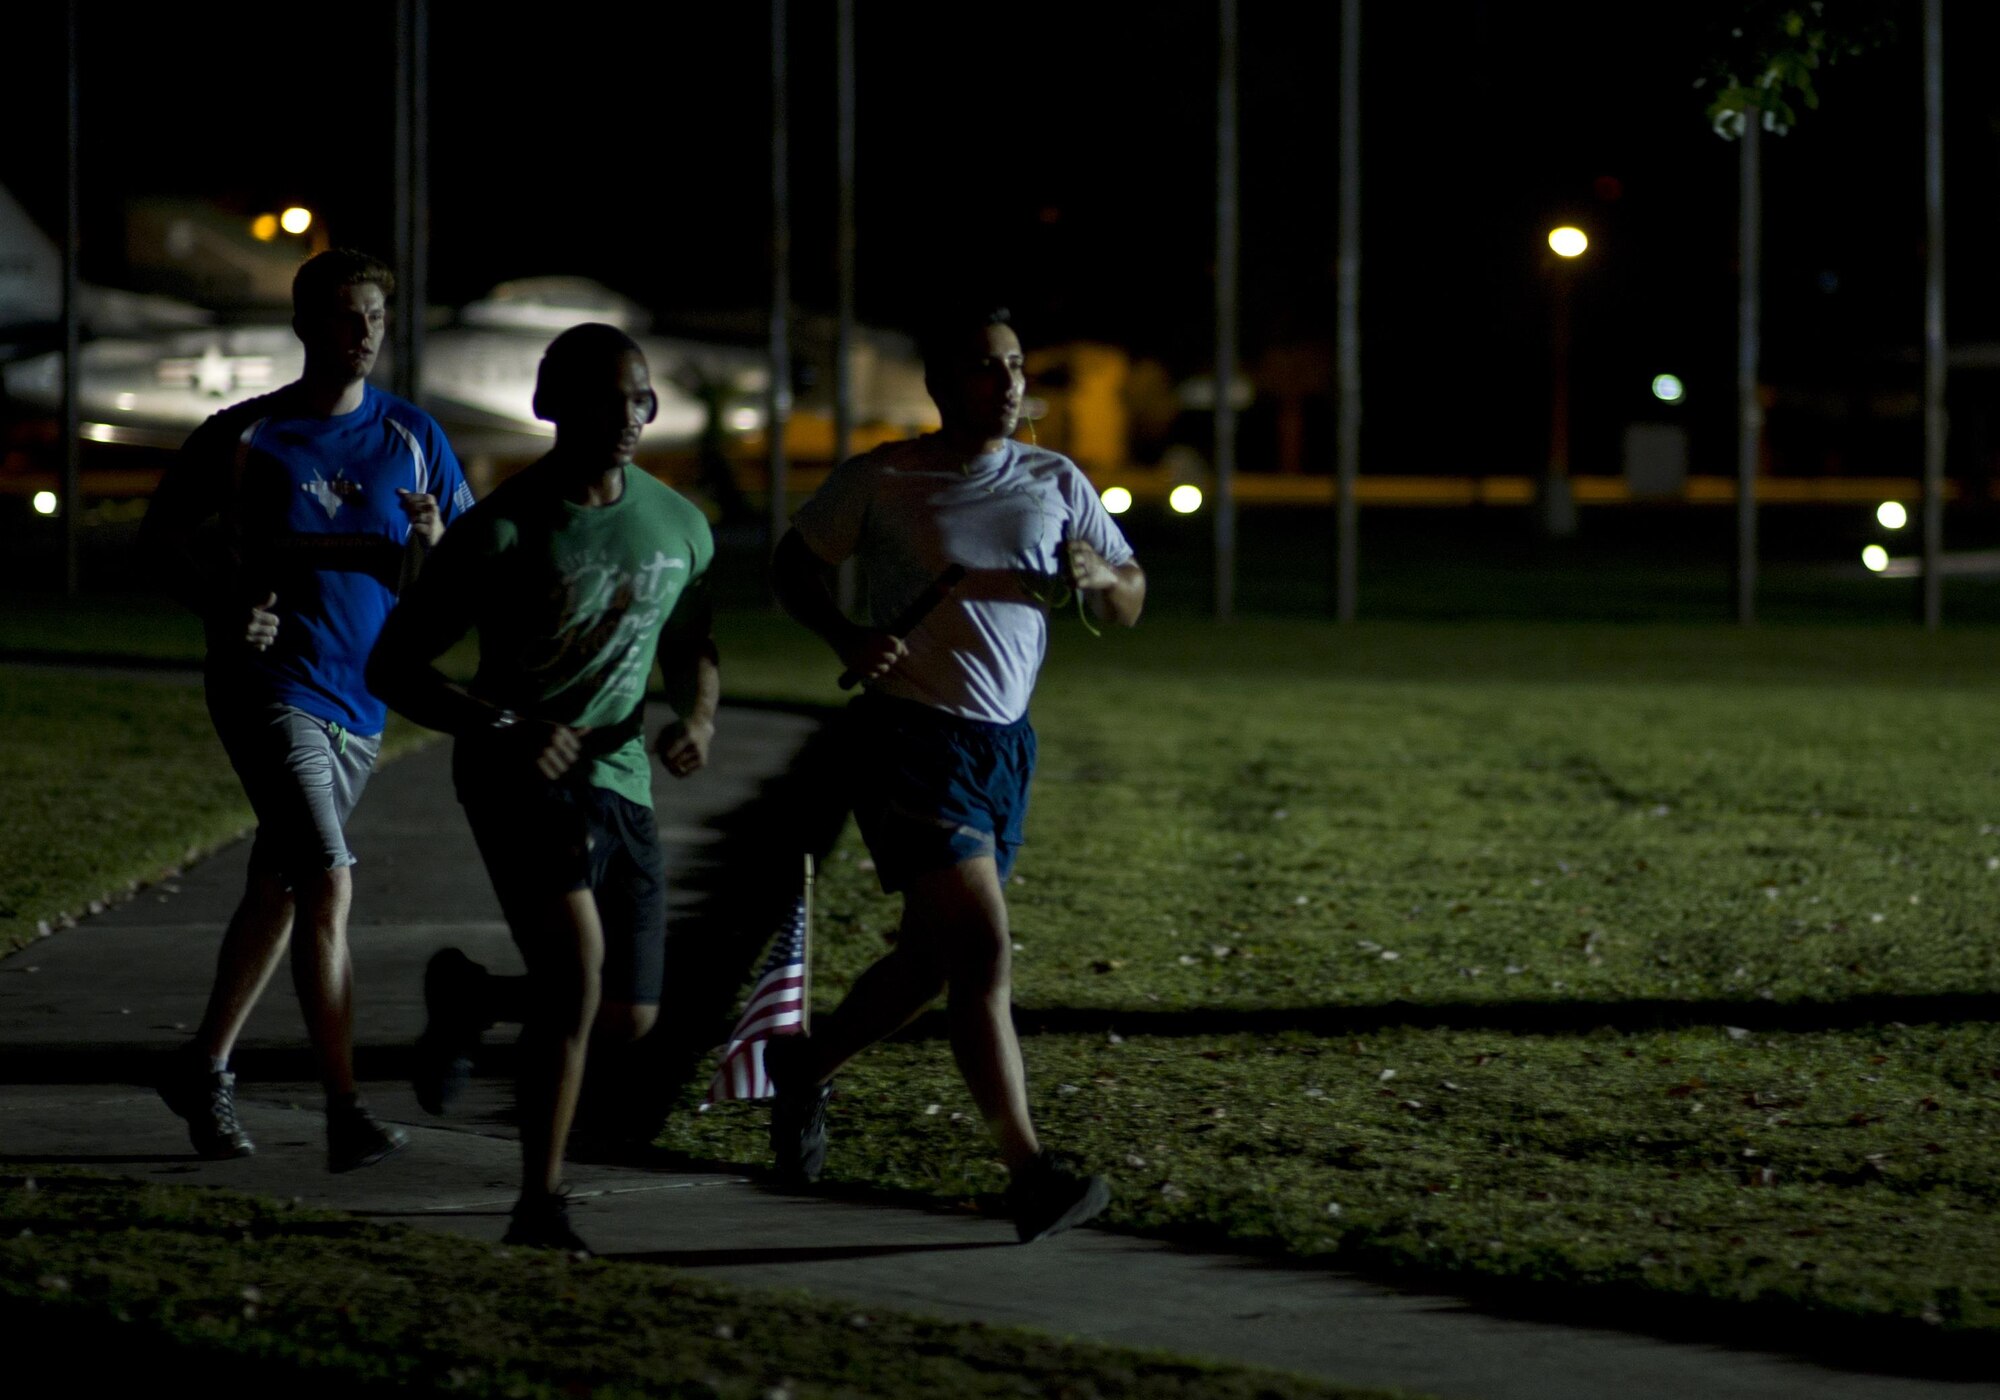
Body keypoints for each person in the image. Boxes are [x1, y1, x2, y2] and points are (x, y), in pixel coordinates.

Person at [769, 306, 1145, 1243]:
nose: (1008, 381)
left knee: (930, 964)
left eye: (1015, 365)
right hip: (910, 738)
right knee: (983, 952)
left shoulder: (1057, 478)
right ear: (943, 384)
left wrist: (1103, 578)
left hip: (1005, 746)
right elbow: (793, 565)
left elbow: (1131, 599)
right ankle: (1030, 1174)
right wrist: (848, 633)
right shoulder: (887, 477)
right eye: (985, 367)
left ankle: (802, 1069)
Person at [367, 322, 720, 1255]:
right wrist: (504, 724)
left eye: (638, 397)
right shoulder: (502, 528)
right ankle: (539, 1202)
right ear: (548, 406)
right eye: (603, 397)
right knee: (573, 980)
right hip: (514, 775)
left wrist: (699, 718)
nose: (625, 416)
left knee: (629, 1015)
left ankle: (475, 1000)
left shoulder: (680, 523)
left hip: (621, 775)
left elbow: (690, 645)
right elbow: (394, 666)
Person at [141, 248, 473, 1171]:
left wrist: (435, 542)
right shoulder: (248, 436)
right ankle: (344, 1106)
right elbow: (161, 538)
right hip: (266, 688)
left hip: (361, 701)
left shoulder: (413, 437)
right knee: (327, 879)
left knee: (281, 885)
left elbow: (460, 576)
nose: (363, 335)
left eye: (375, 318)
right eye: (344, 317)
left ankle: (202, 1067)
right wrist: (221, 604)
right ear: (304, 326)